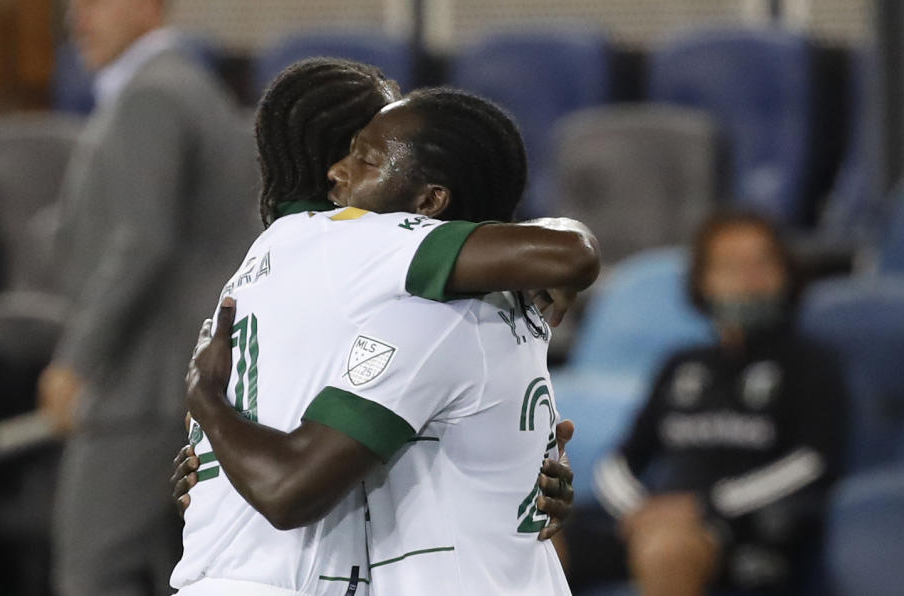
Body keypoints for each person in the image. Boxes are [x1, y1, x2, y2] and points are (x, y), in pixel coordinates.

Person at [167, 63, 595, 594]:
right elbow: (569, 256)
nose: (341, 172)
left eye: (367, 157)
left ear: (429, 199)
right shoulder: (366, 253)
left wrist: (208, 410)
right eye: (353, 150)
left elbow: (290, 487)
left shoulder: (275, 263)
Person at [36, 0, 257, 594]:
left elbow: (142, 243)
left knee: (91, 569)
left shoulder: (153, 95)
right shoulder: (181, 84)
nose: (78, 18)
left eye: (95, 2)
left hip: (142, 382)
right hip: (179, 377)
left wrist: (77, 359)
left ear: (148, 7)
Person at [593, 211, 847, 596]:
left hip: (743, 528)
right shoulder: (682, 364)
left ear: (786, 273)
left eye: (761, 262)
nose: (748, 278)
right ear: (703, 281)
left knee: (668, 548)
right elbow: (620, 460)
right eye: (729, 266)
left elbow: (811, 462)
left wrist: (705, 506)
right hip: (656, 518)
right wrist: (640, 509)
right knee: (535, 539)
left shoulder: (809, 363)